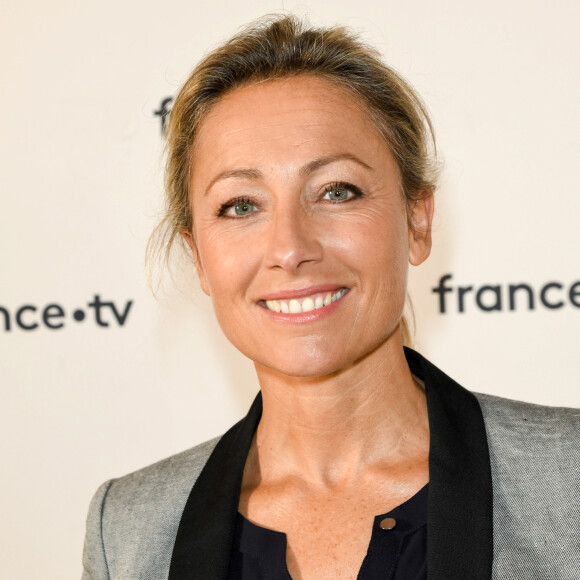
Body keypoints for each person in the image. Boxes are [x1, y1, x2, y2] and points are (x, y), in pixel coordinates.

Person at [82, 14, 580, 580]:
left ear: (418, 220)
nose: (289, 248)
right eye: (241, 205)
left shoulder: (571, 476)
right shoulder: (124, 530)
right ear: (198, 256)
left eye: (335, 191)